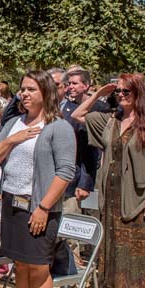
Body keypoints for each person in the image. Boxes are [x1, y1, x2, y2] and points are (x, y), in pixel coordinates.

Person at [0, 70, 76, 288]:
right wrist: (14, 139)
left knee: (38, 268)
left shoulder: (58, 127)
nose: (24, 94)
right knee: (21, 266)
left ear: (46, 93)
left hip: (38, 206)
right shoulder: (14, 122)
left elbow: (65, 171)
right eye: (22, 89)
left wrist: (44, 207)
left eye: (31, 90)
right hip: (12, 203)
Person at [72, 74, 145, 288]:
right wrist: (98, 94)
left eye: (127, 91)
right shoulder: (111, 119)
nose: (121, 95)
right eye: (119, 92)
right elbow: (77, 115)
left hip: (136, 193)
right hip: (111, 192)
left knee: (137, 247)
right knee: (116, 245)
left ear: (138, 93)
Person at [62, 69, 107, 213]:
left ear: (86, 85)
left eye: (75, 83)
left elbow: (92, 150)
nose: (71, 87)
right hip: (64, 177)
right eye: (69, 83)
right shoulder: (66, 107)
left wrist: (85, 183)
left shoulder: (100, 108)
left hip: (82, 178)